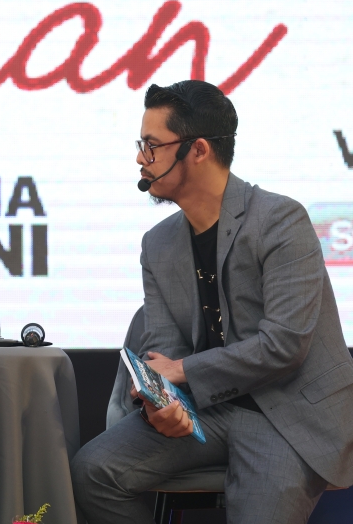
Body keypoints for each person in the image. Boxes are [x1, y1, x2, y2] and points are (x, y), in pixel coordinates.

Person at [71, 80, 353, 523]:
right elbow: (162, 348)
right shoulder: (158, 243)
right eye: (141, 145)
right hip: (207, 408)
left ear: (198, 150)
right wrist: (163, 404)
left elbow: (283, 346)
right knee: (94, 471)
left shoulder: (281, 221)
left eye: (152, 145)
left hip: (286, 411)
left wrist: (181, 371)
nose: (141, 158)